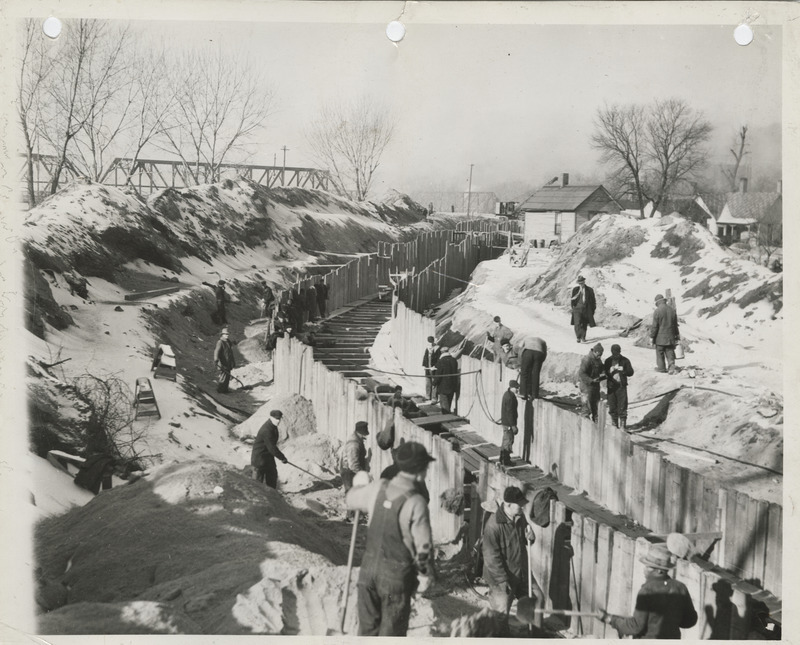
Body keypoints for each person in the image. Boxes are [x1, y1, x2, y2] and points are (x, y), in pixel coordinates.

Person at [346, 441, 437, 636]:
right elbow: (424, 548)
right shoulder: (416, 502)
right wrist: (424, 577)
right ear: (420, 470)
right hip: (396, 579)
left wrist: (359, 484)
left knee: (367, 633)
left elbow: (350, 499)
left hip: (368, 572)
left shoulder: (378, 487)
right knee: (391, 635)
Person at [600, 543, 698, 638]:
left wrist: (610, 619)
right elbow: (690, 620)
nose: (644, 570)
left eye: (649, 567)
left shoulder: (647, 591)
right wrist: (671, 618)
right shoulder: (680, 587)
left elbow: (636, 627)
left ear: (660, 570)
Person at [482, 486, 543, 634]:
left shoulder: (519, 517)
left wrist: (531, 536)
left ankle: (536, 635)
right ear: (508, 505)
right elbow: (491, 558)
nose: (523, 507)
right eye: (519, 504)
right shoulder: (493, 526)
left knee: (538, 600)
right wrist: (503, 581)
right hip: (501, 578)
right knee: (501, 615)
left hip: (521, 572)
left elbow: (527, 535)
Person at [251, 410, 288, 489]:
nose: (278, 421)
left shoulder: (272, 426)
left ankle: (273, 495)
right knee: (257, 485)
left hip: (268, 457)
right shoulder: (267, 430)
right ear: (271, 418)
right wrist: (282, 458)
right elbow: (272, 448)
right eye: (276, 419)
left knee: (272, 476)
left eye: (279, 419)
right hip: (259, 459)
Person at [340, 421, 369, 521]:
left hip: (352, 470)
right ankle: (351, 516)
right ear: (360, 433)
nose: (365, 436)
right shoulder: (354, 444)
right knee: (352, 493)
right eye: (364, 434)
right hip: (349, 471)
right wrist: (363, 474)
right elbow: (353, 464)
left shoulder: (357, 439)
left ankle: (353, 515)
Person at [604, 344, 635, 429]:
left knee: (622, 406)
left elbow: (631, 372)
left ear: (620, 352)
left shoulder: (625, 361)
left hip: (621, 386)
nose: (616, 356)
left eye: (617, 354)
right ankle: (614, 424)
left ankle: (622, 425)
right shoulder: (608, 361)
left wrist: (624, 371)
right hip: (611, 387)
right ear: (611, 352)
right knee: (612, 406)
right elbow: (604, 373)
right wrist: (609, 371)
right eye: (614, 354)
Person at [650, 294, 680, 375]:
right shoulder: (672, 310)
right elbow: (675, 325)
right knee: (670, 351)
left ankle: (661, 368)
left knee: (660, 352)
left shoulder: (657, 311)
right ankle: (671, 367)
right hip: (670, 336)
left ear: (657, 302)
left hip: (660, 337)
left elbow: (655, 326)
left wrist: (652, 336)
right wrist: (677, 335)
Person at [577, 343, 605, 422]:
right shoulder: (587, 360)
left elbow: (601, 367)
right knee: (586, 407)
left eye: (601, 355)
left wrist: (604, 373)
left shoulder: (598, 359)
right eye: (599, 355)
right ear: (595, 352)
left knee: (596, 405)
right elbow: (582, 373)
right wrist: (590, 380)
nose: (600, 357)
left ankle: (596, 423)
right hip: (586, 386)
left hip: (595, 385)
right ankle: (585, 423)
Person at [499, 381, 520, 467]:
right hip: (508, 424)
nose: (518, 389)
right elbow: (510, 412)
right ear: (512, 388)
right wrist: (513, 426)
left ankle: (502, 458)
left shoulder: (506, 394)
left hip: (505, 422)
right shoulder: (510, 397)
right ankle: (506, 461)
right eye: (517, 388)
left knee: (505, 441)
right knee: (508, 441)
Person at [570, 276, 596, 343]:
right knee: (577, 323)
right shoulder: (575, 289)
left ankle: (583, 337)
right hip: (576, 309)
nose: (580, 284)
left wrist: (592, 310)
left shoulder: (589, 290)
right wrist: (572, 307)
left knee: (584, 324)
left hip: (586, 309)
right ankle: (578, 337)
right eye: (579, 282)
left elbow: (593, 301)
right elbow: (572, 299)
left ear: (584, 282)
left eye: (582, 282)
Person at [434, 347, 460, 413]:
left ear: (442, 352)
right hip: (452, 385)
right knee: (449, 401)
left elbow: (438, 374)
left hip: (443, 386)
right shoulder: (454, 360)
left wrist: (434, 383)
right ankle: (448, 415)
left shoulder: (441, 361)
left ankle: (446, 417)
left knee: (444, 404)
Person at [214, 328, 235, 393]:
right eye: (226, 334)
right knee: (223, 377)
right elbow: (216, 351)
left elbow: (231, 353)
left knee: (227, 377)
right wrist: (216, 360)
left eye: (228, 334)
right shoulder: (220, 342)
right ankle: (220, 390)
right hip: (222, 363)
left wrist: (233, 362)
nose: (227, 335)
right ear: (222, 334)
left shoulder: (228, 342)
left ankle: (225, 390)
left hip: (228, 362)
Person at [422, 336, 441, 403]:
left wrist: (435, 366)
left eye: (431, 342)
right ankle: (428, 396)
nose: (429, 344)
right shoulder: (427, 348)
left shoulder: (437, 348)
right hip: (428, 368)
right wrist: (424, 365)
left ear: (433, 341)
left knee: (434, 383)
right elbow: (425, 357)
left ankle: (434, 397)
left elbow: (439, 359)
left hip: (434, 369)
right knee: (428, 382)